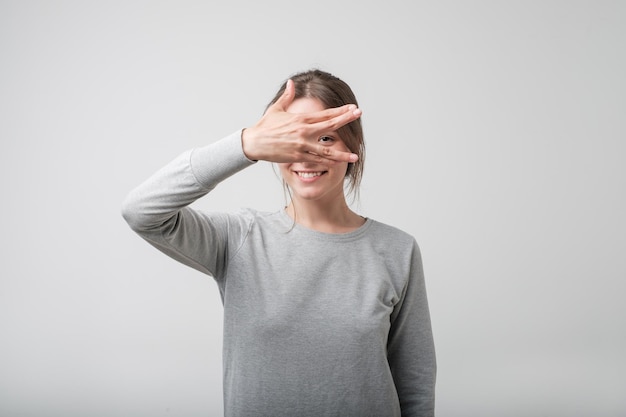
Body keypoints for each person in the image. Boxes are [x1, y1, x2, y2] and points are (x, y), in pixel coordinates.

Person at [121, 69, 436, 417]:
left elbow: (415, 381)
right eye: (292, 139)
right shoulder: (239, 239)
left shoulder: (397, 250)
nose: (306, 154)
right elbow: (141, 211)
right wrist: (245, 144)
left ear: (353, 145)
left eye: (325, 138)